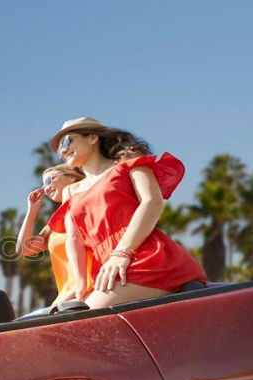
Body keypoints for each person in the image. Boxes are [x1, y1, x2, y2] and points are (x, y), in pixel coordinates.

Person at [49, 117, 207, 309]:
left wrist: (121, 253)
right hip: (106, 267)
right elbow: (74, 239)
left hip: (142, 257)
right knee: (62, 318)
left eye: (67, 141)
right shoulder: (70, 191)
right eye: (59, 149)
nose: (63, 150)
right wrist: (80, 283)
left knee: (82, 319)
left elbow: (151, 202)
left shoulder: (127, 164)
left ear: (92, 138)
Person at [16, 164, 93, 305]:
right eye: (43, 185)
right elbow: (23, 249)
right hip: (65, 298)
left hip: (91, 292)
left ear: (71, 177)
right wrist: (32, 210)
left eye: (49, 180)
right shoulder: (54, 224)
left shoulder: (89, 206)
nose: (45, 188)